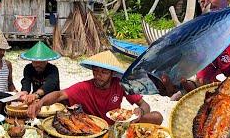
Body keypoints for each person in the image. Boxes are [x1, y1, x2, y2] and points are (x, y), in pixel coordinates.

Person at [27, 50, 163, 125]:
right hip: (94, 127)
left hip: (118, 124)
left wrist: (140, 112)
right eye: (96, 71)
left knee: (157, 117)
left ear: (112, 74)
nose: (99, 75)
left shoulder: (120, 84)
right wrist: (40, 102)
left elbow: (144, 104)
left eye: (104, 72)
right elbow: (59, 95)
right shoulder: (85, 87)